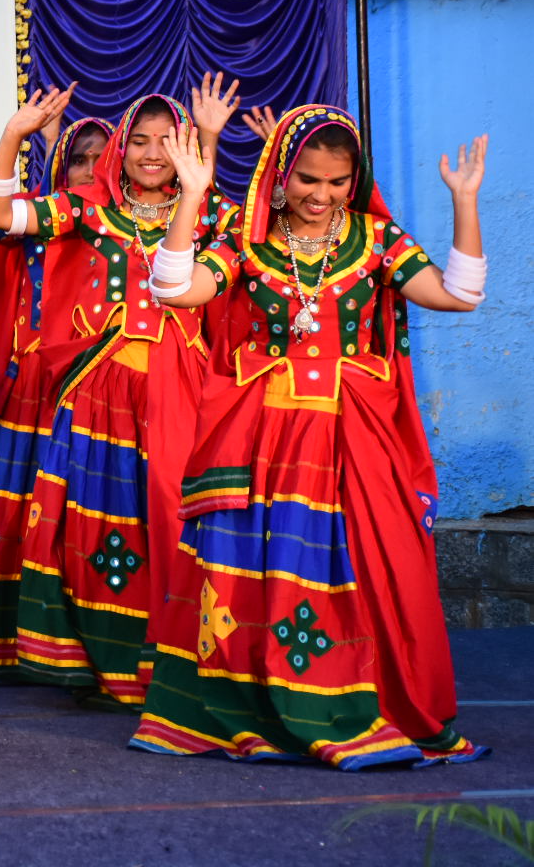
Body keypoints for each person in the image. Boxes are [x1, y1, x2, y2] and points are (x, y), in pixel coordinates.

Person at [131, 105, 489, 767]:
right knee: (261, 578)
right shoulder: (247, 242)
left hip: (355, 439)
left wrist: (464, 202)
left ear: (355, 181)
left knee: (384, 570)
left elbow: (458, 294)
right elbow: (175, 289)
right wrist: (193, 196)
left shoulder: (377, 241)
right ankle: (263, 704)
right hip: (265, 443)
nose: (321, 197)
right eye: (308, 182)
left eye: (337, 182)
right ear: (279, 175)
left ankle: (372, 703)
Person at [0, 76, 239, 707]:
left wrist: (208, 143)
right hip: (100, 397)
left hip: (183, 392)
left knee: (174, 520)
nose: (153, 153)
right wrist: (10, 138)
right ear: (118, 150)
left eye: (167, 140)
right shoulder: (90, 210)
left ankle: (180, 660)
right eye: (140, 142)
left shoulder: (217, 217)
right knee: (96, 531)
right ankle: (109, 665)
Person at [0, 113, 114, 677]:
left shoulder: (118, 222)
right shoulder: (40, 217)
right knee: (17, 510)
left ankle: (79, 638)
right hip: (27, 383)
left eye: (101, 157)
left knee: (78, 516)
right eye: (78, 158)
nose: (90, 169)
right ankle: (10, 640)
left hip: (96, 388)